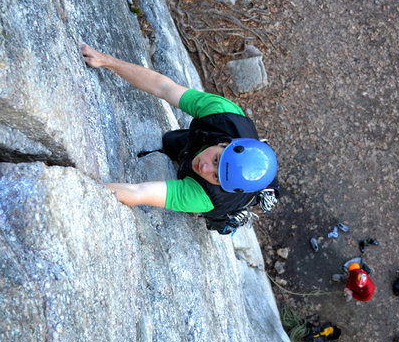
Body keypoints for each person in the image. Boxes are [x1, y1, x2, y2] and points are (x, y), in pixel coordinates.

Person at [79, 42, 278, 234]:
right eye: (216, 159)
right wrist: (106, 61)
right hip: (211, 136)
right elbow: (164, 88)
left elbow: (138, 192)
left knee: (198, 195)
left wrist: (81, 189)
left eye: (216, 177)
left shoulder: (206, 197)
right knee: (171, 141)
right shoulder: (223, 114)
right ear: (225, 143)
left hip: (220, 202)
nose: (206, 168)